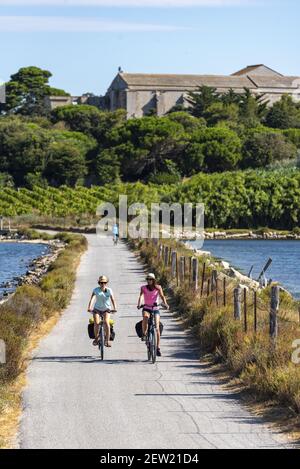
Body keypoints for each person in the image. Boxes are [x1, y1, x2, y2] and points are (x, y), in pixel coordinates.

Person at [137, 273, 169, 357]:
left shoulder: (158, 287)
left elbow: (162, 296)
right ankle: (144, 334)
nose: (149, 281)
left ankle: (157, 348)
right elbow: (141, 296)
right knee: (145, 317)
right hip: (146, 307)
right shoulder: (143, 288)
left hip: (155, 309)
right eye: (148, 279)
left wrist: (165, 304)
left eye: (150, 279)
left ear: (154, 280)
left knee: (157, 328)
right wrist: (139, 304)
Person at [88, 276, 117, 347]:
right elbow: (92, 299)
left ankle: (107, 341)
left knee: (106, 322)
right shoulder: (96, 290)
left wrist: (115, 308)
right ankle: (96, 338)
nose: (103, 284)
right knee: (96, 323)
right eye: (101, 282)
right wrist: (89, 307)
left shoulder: (109, 290)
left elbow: (113, 299)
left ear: (106, 283)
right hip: (97, 309)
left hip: (106, 309)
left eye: (104, 282)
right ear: (99, 283)